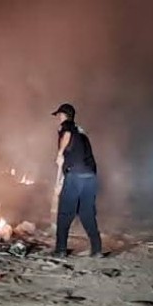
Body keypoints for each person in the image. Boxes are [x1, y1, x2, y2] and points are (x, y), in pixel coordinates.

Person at [52, 102, 102, 257]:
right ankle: (97, 250)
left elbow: (66, 134)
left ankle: (60, 250)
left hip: (75, 175)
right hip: (90, 177)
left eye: (58, 116)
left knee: (64, 213)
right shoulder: (82, 133)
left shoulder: (67, 127)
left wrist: (60, 153)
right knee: (86, 213)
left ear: (63, 116)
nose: (58, 119)